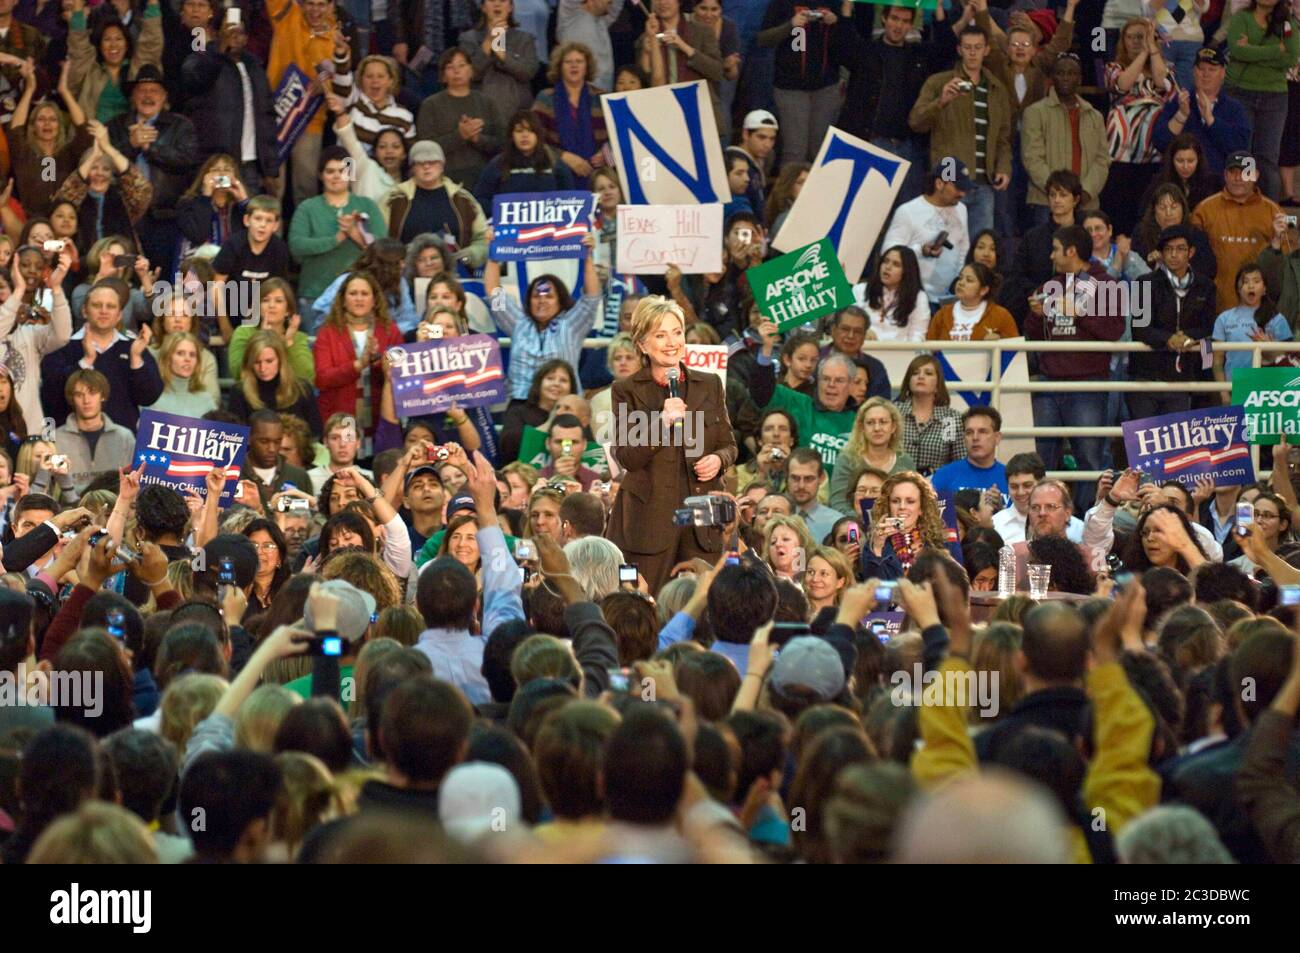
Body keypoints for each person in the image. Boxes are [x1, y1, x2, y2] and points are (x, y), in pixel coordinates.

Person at [606, 296, 736, 596]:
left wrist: (719, 460)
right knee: (645, 605)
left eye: (677, 332)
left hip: (701, 518)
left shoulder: (710, 384)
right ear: (642, 344)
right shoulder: (627, 391)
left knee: (703, 606)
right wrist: (661, 422)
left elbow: (729, 444)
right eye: (660, 335)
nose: (671, 342)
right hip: (648, 522)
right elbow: (627, 457)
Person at [1024, 225, 1124, 502]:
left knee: (1090, 460)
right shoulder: (1049, 286)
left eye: (1055, 249)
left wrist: (1079, 312)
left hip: (1087, 383)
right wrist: (1035, 315)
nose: (1051, 256)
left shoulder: (1105, 284)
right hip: (1049, 381)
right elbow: (1033, 334)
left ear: (1071, 251)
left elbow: (1115, 331)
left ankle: (1087, 523)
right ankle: (1040, 517)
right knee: (1041, 461)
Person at [908, 24, 1012, 237]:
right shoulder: (939, 83)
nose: (972, 53)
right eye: (967, 47)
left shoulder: (996, 88)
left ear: (987, 50)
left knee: (979, 250)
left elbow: (1003, 137)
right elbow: (915, 122)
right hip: (948, 182)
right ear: (959, 50)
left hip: (984, 183)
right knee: (945, 247)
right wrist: (941, 101)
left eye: (977, 47)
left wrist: (1003, 167)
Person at [485, 230, 600, 402]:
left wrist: (588, 256)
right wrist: (493, 252)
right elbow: (494, 293)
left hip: (562, 406)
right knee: (522, 429)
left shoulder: (571, 325)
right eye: (536, 296)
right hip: (522, 405)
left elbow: (591, 298)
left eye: (549, 296)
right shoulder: (518, 323)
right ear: (529, 301)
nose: (542, 301)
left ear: (560, 301)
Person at [40, 277, 162, 434]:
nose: (104, 311)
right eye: (97, 305)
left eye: (110, 306)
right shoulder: (62, 347)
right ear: (84, 311)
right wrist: (85, 362)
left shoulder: (134, 348)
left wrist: (137, 360)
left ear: (119, 315)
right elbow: (51, 397)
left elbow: (149, 397)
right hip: (72, 443)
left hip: (123, 443)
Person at [180, 15, 279, 193]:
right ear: (216, 33)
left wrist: (270, 169)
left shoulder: (255, 68)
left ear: (247, 38)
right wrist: (219, 49)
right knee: (215, 216)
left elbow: (267, 117)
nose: (234, 36)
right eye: (228, 31)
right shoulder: (201, 58)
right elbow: (194, 80)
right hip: (214, 163)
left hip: (250, 165)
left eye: (239, 32)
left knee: (248, 218)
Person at [1129, 224, 1218, 420]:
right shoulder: (1143, 283)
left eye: (1180, 249)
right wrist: (1168, 339)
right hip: (1146, 375)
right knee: (1142, 445)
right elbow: (1139, 328)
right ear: (1160, 254)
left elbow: (1208, 327)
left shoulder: (1206, 286)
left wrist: (1188, 337)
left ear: (1191, 252)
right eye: (1168, 249)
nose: (1174, 255)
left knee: (1176, 447)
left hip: (1185, 376)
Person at [288, 146, 386, 322]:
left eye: (342, 171)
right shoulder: (308, 208)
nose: (336, 176)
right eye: (330, 171)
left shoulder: (367, 205)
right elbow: (296, 246)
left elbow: (384, 249)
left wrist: (355, 234)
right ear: (321, 175)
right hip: (315, 294)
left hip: (361, 297)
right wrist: (337, 239)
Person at [1100, 17, 1178, 236]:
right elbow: (1122, 85)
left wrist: (1152, 51)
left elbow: (1166, 86)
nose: (1135, 41)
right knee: (1119, 213)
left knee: (1145, 213)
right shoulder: (1113, 67)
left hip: (1153, 154)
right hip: (1120, 155)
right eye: (1131, 37)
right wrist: (1144, 52)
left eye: (1141, 37)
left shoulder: (1164, 67)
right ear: (1122, 41)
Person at [313, 271, 405, 455]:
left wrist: (377, 361)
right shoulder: (328, 332)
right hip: (340, 426)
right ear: (343, 299)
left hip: (380, 421)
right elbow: (322, 379)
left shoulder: (390, 331)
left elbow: (401, 378)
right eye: (353, 293)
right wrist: (359, 364)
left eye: (364, 293)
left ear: (375, 299)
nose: (359, 299)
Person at [1224, 0, 1300, 202]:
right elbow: (1237, 51)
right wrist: (1276, 50)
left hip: (1274, 95)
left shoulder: (1288, 23)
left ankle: (1267, 210)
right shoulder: (1242, 18)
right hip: (1241, 92)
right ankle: (1243, 201)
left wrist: (1251, 50)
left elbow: (1291, 57)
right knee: (1243, 154)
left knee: (1267, 158)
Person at [1020, 53, 1110, 224]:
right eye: (1060, 73)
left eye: (1071, 73)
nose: (1066, 77)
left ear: (1080, 79)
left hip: (1086, 202)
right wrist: (1060, 193)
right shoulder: (1035, 112)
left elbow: (1102, 159)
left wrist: (1084, 193)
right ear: (1052, 77)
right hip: (1046, 202)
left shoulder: (1094, 116)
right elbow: (1032, 158)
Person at [1193, 150, 1287, 311]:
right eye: (1233, 172)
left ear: (1256, 175)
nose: (1238, 178)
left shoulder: (1275, 213)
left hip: (1260, 312)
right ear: (1225, 175)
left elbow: (1284, 265)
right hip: (1214, 309)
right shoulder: (1204, 210)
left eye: (1245, 173)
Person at [757, 0, 841, 164]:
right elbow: (763, 39)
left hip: (826, 87)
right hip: (791, 87)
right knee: (795, 151)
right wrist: (790, 25)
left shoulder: (835, 2)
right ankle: (787, 189)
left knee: (821, 151)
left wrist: (838, 22)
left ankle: (817, 189)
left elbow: (853, 42)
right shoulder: (782, 3)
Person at [381, 139, 488, 263]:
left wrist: (471, 254)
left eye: (432, 162)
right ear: (412, 167)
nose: (426, 167)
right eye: (420, 163)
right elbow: (379, 238)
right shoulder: (393, 199)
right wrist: (400, 256)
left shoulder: (464, 199)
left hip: (456, 272)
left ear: (442, 166)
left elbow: (483, 238)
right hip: (404, 272)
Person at [1153, 46, 1252, 178]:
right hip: (1180, 183)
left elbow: (1240, 150)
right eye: (1201, 69)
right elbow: (1160, 143)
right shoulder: (1178, 101)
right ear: (1194, 71)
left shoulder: (1234, 108)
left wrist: (1211, 120)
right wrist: (1181, 116)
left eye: (1212, 69)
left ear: (1222, 73)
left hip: (1219, 185)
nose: (1206, 74)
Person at [882, 162, 971, 304]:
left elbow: (963, 248)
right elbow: (887, 253)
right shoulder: (907, 212)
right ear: (940, 183)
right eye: (958, 188)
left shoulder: (962, 209)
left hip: (949, 298)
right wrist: (920, 250)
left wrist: (959, 280)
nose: (962, 194)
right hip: (913, 297)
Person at [416, 47, 504, 190]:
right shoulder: (430, 104)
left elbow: (502, 143)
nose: (456, 71)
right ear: (443, 75)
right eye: (450, 67)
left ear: (471, 70)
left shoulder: (487, 102)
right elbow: (425, 147)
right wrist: (460, 135)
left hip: (483, 176)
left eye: (462, 65)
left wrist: (477, 139)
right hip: (443, 177)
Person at [531, 42, 608, 188]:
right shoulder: (546, 98)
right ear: (560, 67)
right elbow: (535, 139)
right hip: (556, 174)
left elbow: (617, 137)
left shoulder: (601, 97)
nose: (574, 66)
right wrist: (563, 157)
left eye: (579, 61)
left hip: (598, 176)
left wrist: (606, 155)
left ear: (587, 67)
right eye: (568, 62)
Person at [473, 110, 576, 211]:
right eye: (519, 131)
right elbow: (480, 199)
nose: (525, 135)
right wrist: (502, 211)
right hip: (508, 224)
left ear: (538, 135)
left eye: (530, 131)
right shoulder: (498, 163)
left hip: (548, 224)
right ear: (512, 136)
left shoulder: (554, 162)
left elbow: (570, 198)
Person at [829, 397, 918, 511]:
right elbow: (838, 503)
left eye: (883, 422)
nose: (877, 428)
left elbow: (912, 501)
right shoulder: (847, 459)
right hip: (854, 525)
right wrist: (863, 522)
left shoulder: (905, 462)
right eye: (870, 423)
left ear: (893, 427)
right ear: (862, 428)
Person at [458, 0, 539, 124]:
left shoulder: (525, 39)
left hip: (518, 114)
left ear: (510, 7)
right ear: (483, 7)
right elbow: (470, 74)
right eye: (491, 0)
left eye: (502, 0)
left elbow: (528, 72)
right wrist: (489, 40)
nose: (497, 4)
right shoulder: (468, 39)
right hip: (480, 113)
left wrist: (502, 55)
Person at [229, 331, 322, 436]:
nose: (263, 368)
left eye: (269, 361)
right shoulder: (239, 392)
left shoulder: (302, 389)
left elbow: (316, 435)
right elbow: (234, 441)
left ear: (281, 359)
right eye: (256, 362)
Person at [861, 471, 948, 581]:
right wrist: (877, 548)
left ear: (921, 508)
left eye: (910, 501)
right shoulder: (872, 546)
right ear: (888, 505)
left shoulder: (938, 543)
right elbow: (874, 589)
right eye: (895, 501)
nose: (902, 507)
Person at [992, 452, 1085, 545]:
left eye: (1027, 485)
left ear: (1042, 483)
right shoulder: (996, 525)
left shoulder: (1076, 527)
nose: (1020, 492)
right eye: (1014, 486)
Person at [894, 354, 965, 475]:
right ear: (908, 381)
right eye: (915, 373)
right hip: (895, 485)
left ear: (938, 385)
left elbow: (959, 462)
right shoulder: (894, 413)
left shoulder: (949, 419)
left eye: (928, 373)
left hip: (937, 488)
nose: (921, 376)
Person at [927, 262, 1019, 341]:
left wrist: (1000, 340)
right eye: (960, 278)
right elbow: (928, 349)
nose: (961, 283)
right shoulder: (942, 314)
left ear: (983, 290)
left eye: (969, 280)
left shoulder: (1001, 315)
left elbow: (1015, 352)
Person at [930, 407, 1008, 499]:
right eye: (969, 432)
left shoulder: (1010, 478)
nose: (975, 437)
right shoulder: (944, 476)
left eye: (982, 431)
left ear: (997, 438)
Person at [860, 245, 930, 342]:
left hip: (899, 354)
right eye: (885, 261)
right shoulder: (860, 289)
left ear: (906, 271)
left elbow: (917, 336)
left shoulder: (918, 298)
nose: (887, 267)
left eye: (896, 264)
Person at [785, 447, 841, 545]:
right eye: (795, 478)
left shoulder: (838, 522)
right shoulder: (773, 516)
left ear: (821, 478)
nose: (801, 486)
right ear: (786, 477)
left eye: (809, 479)